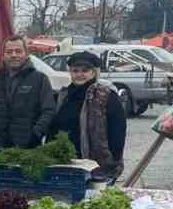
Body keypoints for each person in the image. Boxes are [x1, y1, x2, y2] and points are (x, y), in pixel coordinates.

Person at [48, 51, 127, 181]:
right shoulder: (64, 95)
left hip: (96, 164)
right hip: (67, 161)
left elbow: (118, 130)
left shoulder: (106, 96)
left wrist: (113, 160)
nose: (79, 74)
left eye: (84, 70)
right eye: (75, 70)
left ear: (93, 72)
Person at [0, 35, 56, 156]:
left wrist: (35, 134)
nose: (14, 55)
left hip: (28, 151)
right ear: (3, 55)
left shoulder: (39, 80)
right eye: (9, 52)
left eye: (18, 51)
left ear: (26, 54)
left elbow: (49, 111)